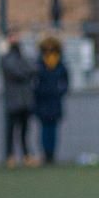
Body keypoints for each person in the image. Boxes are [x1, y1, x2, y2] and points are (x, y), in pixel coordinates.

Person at [0, 30, 37, 168]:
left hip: (25, 100)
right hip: (13, 100)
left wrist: (25, 70)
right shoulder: (6, 58)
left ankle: (27, 156)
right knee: (11, 130)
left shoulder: (23, 56)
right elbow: (17, 71)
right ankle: (10, 156)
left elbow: (34, 68)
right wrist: (25, 71)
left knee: (25, 130)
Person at [33, 36, 69, 165]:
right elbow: (34, 83)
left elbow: (65, 82)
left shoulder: (60, 65)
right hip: (42, 101)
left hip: (54, 101)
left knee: (53, 130)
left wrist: (59, 91)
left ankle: (52, 154)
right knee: (44, 129)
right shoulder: (39, 64)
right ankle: (46, 154)